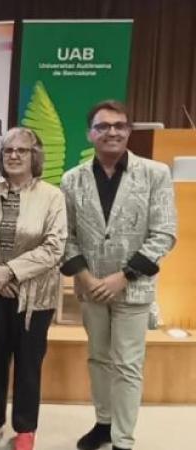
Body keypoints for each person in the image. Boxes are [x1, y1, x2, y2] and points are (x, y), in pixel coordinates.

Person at [60, 100, 177, 450]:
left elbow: (164, 234)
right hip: (91, 288)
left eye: (119, 126)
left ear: (128, 131)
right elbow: (66, 235)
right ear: (90, 134)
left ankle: (122, 440)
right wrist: (85, 277)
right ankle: (103, 423)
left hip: (133, 288)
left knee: (127, 365)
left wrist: (123, 277)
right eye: (103, 126)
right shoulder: (72, 179)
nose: (111, 132)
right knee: (98, 359)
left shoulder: (155, 173)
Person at [0, 128, 67, 450]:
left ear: (34, 156)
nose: (13, 155)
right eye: (8, 150)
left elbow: (54, 247)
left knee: (28, 364)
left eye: (21, 150)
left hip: (34, 298)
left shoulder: (52, 196)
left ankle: (25, 427)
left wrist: (10, 272)